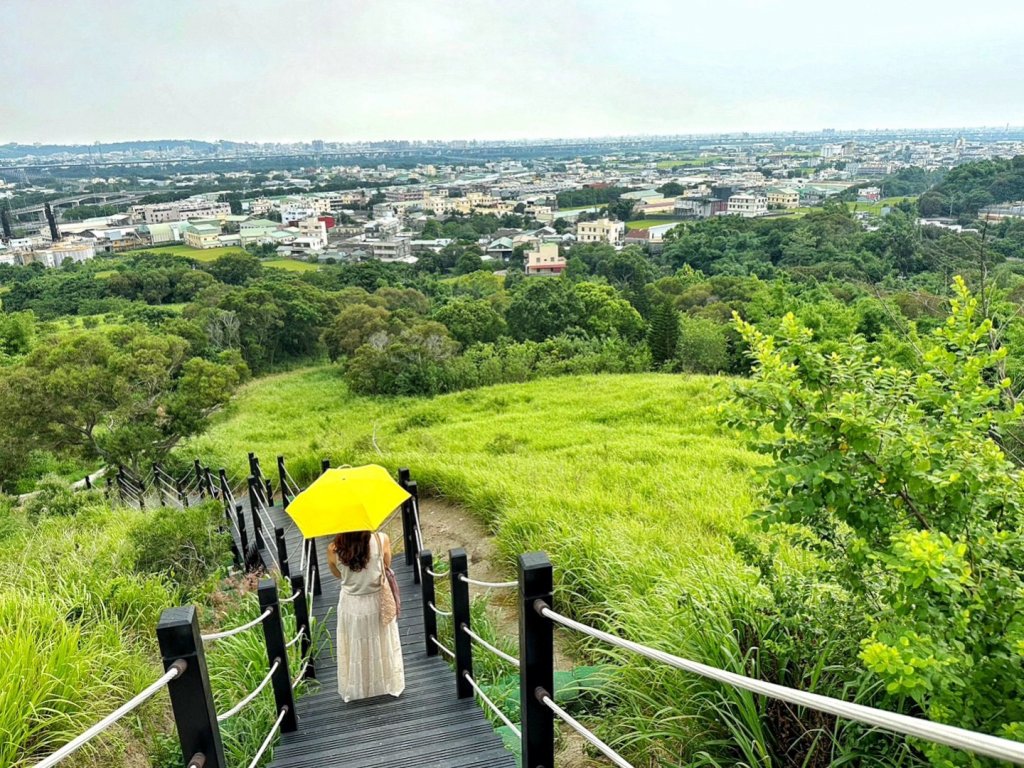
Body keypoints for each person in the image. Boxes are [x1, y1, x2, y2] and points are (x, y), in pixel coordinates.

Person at [326, 530, 405, 702]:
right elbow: (386, 564)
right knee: (382, 640)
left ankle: (359, 689)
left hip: (351, 604)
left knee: (355, 644)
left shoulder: (333, 548)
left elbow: (337, 574)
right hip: (377, 600)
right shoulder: (381, 538)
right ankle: (385, 684)